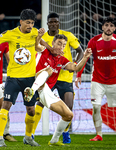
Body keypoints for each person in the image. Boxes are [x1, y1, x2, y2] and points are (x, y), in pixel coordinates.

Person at [0, 9, 60, 147]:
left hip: (29, 79)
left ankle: (28, 137)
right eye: (27, 23)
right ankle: (0, 138)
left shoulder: (34, 32)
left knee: (31, 110)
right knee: (5, 106)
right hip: (13, 78)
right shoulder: (10, 34)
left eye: (32, 23)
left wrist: (52, 49)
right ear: (21, 22)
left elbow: (43, 43)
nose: (30, 26)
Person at [75, 17, 116, 141]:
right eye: (106, 25)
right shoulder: (94, 41)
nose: (109, 27)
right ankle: (99, 134)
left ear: (114, 28)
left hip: (114, 82)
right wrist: (79, 76)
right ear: (102, 27)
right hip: (97, 81)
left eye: (111, 25)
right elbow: (85, 58)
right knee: (96, 107)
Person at [24, 34, 92, 146]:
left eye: (64, 45)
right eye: (59, 43)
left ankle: (54, 140)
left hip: (45, 90)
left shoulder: (62, 60)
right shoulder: (44, 50)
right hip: (32, 81)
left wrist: (85, 56)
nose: (61, 46)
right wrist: (39, 37)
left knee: (68, 115)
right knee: (49, 70)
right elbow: (37, 45)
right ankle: (31, 91)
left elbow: (75, 68)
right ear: (53, 43)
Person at [31, 12, 84, 144]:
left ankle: (64, 133)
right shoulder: (44, 39)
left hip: (64, 75)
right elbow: (37, 46)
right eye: (51, 22)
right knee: (40, 103)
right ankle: (31, 133)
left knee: (68, 106)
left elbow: (80, 51)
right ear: (47, 23)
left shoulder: (68, 36)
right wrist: (39, 38)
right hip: (49, 77)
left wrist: (75, 67)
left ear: (59, 23)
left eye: (56, 22)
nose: (54, 24)